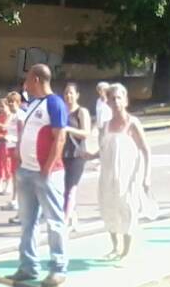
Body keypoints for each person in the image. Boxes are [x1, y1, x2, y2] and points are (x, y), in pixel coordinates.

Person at [9, 64, 69, 287]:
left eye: (27, 79)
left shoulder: (55, 103)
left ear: (36, 79)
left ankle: (58, 267)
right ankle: (28, 265)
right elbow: (27, 131)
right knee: (28, 222)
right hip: (27, 170)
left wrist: (48, 167)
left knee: (54, 221)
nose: (25, 84)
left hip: (46, 174)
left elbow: (59, 138)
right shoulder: (34, 104)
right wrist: (19, 154)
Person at [97, 83, 152, 260]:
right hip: (108, 176)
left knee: (127, 208)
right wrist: (88, 155)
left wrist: (147, 175)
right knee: (109, 208)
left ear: (125, 100)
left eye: (118, 98)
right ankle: (114, 246)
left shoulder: (132, 123)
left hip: (128, 176)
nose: (115, 101)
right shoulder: (104, 126)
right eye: (112, 98)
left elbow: (145, 149)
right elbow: (102, 150)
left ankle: (126, 251)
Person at [61, 83, 93, 229]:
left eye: (71, 93)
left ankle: (65, 220)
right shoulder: (62, 111)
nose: (68, 96)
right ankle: (72, 214)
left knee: (71, 188)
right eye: (66, 93)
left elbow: (86, 132)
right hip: (62, 153)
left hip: (77, 154)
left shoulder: (81, 112)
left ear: (77, 95)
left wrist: (68, 129)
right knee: (62, 188)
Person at [3, 91, 25, 217]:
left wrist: (18, 147)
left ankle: (19, 202)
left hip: (17, 147)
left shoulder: (20, 116)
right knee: (14, 176)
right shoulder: (12, 115)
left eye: (13, 102)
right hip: (10, 147)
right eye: (9, 102)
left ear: (18, 102)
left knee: (18, 176)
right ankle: (14, 198)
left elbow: (21, 133)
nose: (10, 104)